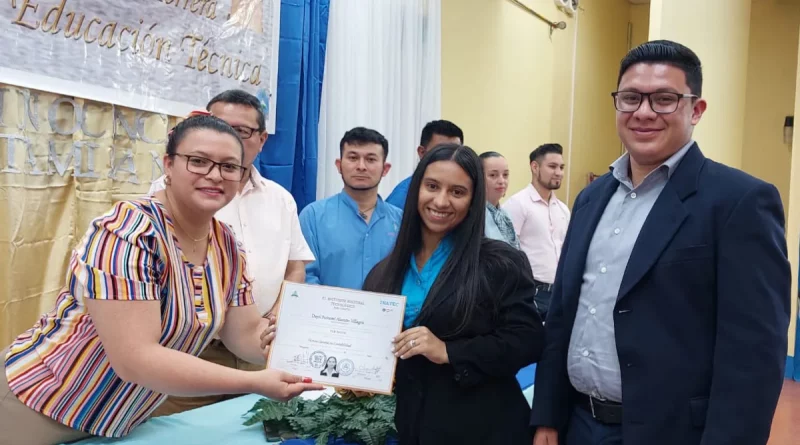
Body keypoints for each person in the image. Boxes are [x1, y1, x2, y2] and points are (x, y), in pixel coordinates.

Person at [0, 116, 322, 445]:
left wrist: (297, 348)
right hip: (38, 403)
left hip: (120, 418)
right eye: (198, 161)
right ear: (168, 164)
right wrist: (255, 382)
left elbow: (245, 334)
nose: (214, 175)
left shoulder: (226, 245)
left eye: (229, 167)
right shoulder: (128, 231)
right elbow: (137, 358)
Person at [530, 40, 790, 445]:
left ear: (696, 109)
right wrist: (547, 415)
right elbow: (564, 313)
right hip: (577, 424)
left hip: (671, 433)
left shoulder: (739, 202)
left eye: (665, 99)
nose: (644, 112)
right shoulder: (590, 199)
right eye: (631, 98)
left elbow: (753, 355)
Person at [149, 90, 315, 415]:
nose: (226, 137)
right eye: (216, 125)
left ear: (262, 139)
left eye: (240, 131)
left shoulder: (279, 200)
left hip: (257, 347)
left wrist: (277, 320)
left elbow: (295, 268)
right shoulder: (159, 201)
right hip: (190, 351)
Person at [364, 144, 543, 444]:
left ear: (474, 200)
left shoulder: (499, 262)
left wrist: (448, 351)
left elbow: (527, 341)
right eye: (432, 186)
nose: (441, 200)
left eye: (458, 192)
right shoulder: (386, 271)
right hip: (414, 426)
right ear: (415, 189)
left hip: (485, 428)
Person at [300, 127, 403, 289]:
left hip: (387, 314)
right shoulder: (313, 216)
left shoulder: (401, 220)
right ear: (339, 165)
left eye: (370, 159)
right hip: (327, 313)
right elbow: (305, 277)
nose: (361, 166)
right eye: (353, 158)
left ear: (385, 169)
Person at [502, 143, 569, 320]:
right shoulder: (518, 204)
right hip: (531, 292)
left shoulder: (563, 209)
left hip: (558, 292)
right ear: (535, 167)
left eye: (561, 167)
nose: (559, 172)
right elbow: (505, 251)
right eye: (552, 166)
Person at [385, 120, 464, 208]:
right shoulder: (402, 197)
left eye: (454, 151)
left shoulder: (466, 190)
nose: (449, 158)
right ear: (422, 152)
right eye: (439, 152)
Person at [479, 151, 519, 248]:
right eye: (493, 175)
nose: (502, 181)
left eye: (505, 175)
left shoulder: (505, 215)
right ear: (479, 177)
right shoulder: (476, 215)